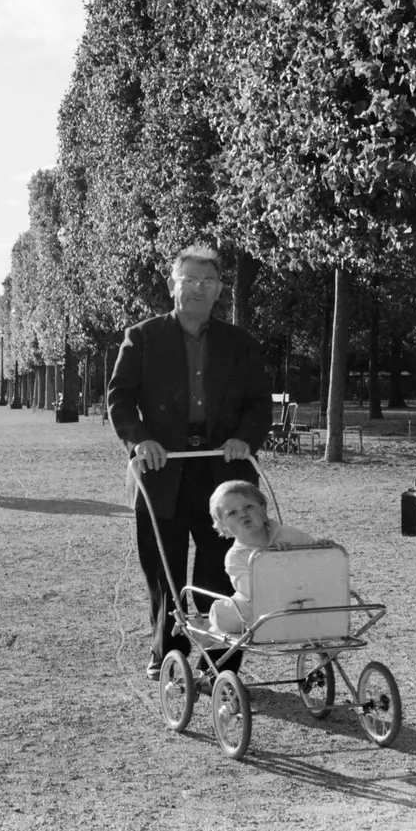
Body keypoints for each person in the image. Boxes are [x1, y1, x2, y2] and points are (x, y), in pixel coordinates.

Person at [107, 243, 271, 680]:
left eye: (209, 281)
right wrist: (140, 441)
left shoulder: (240, 343)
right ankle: (168, 652)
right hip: (162, 467)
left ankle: (221, 657)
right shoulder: (141, 337)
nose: (199, 288)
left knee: (223, 565)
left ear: (220, 291)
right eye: (190, 280)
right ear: (172, 285)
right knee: (164, 567)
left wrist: (244, 437)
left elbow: (258, 403)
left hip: (223, 468)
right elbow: (119, 398)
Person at [207, 480, 314, 634]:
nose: (243, 514)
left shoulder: (289, 535)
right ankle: (212, 626)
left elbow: (318, 558)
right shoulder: (235, 557)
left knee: (320, 601)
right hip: (257, 606)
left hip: (298, 597)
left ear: (263, 511)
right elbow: (252, 591)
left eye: (248, 507)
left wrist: (323, 547)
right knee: (227, 614)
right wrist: (272, 561)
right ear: (224, 528)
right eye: (232, 513)